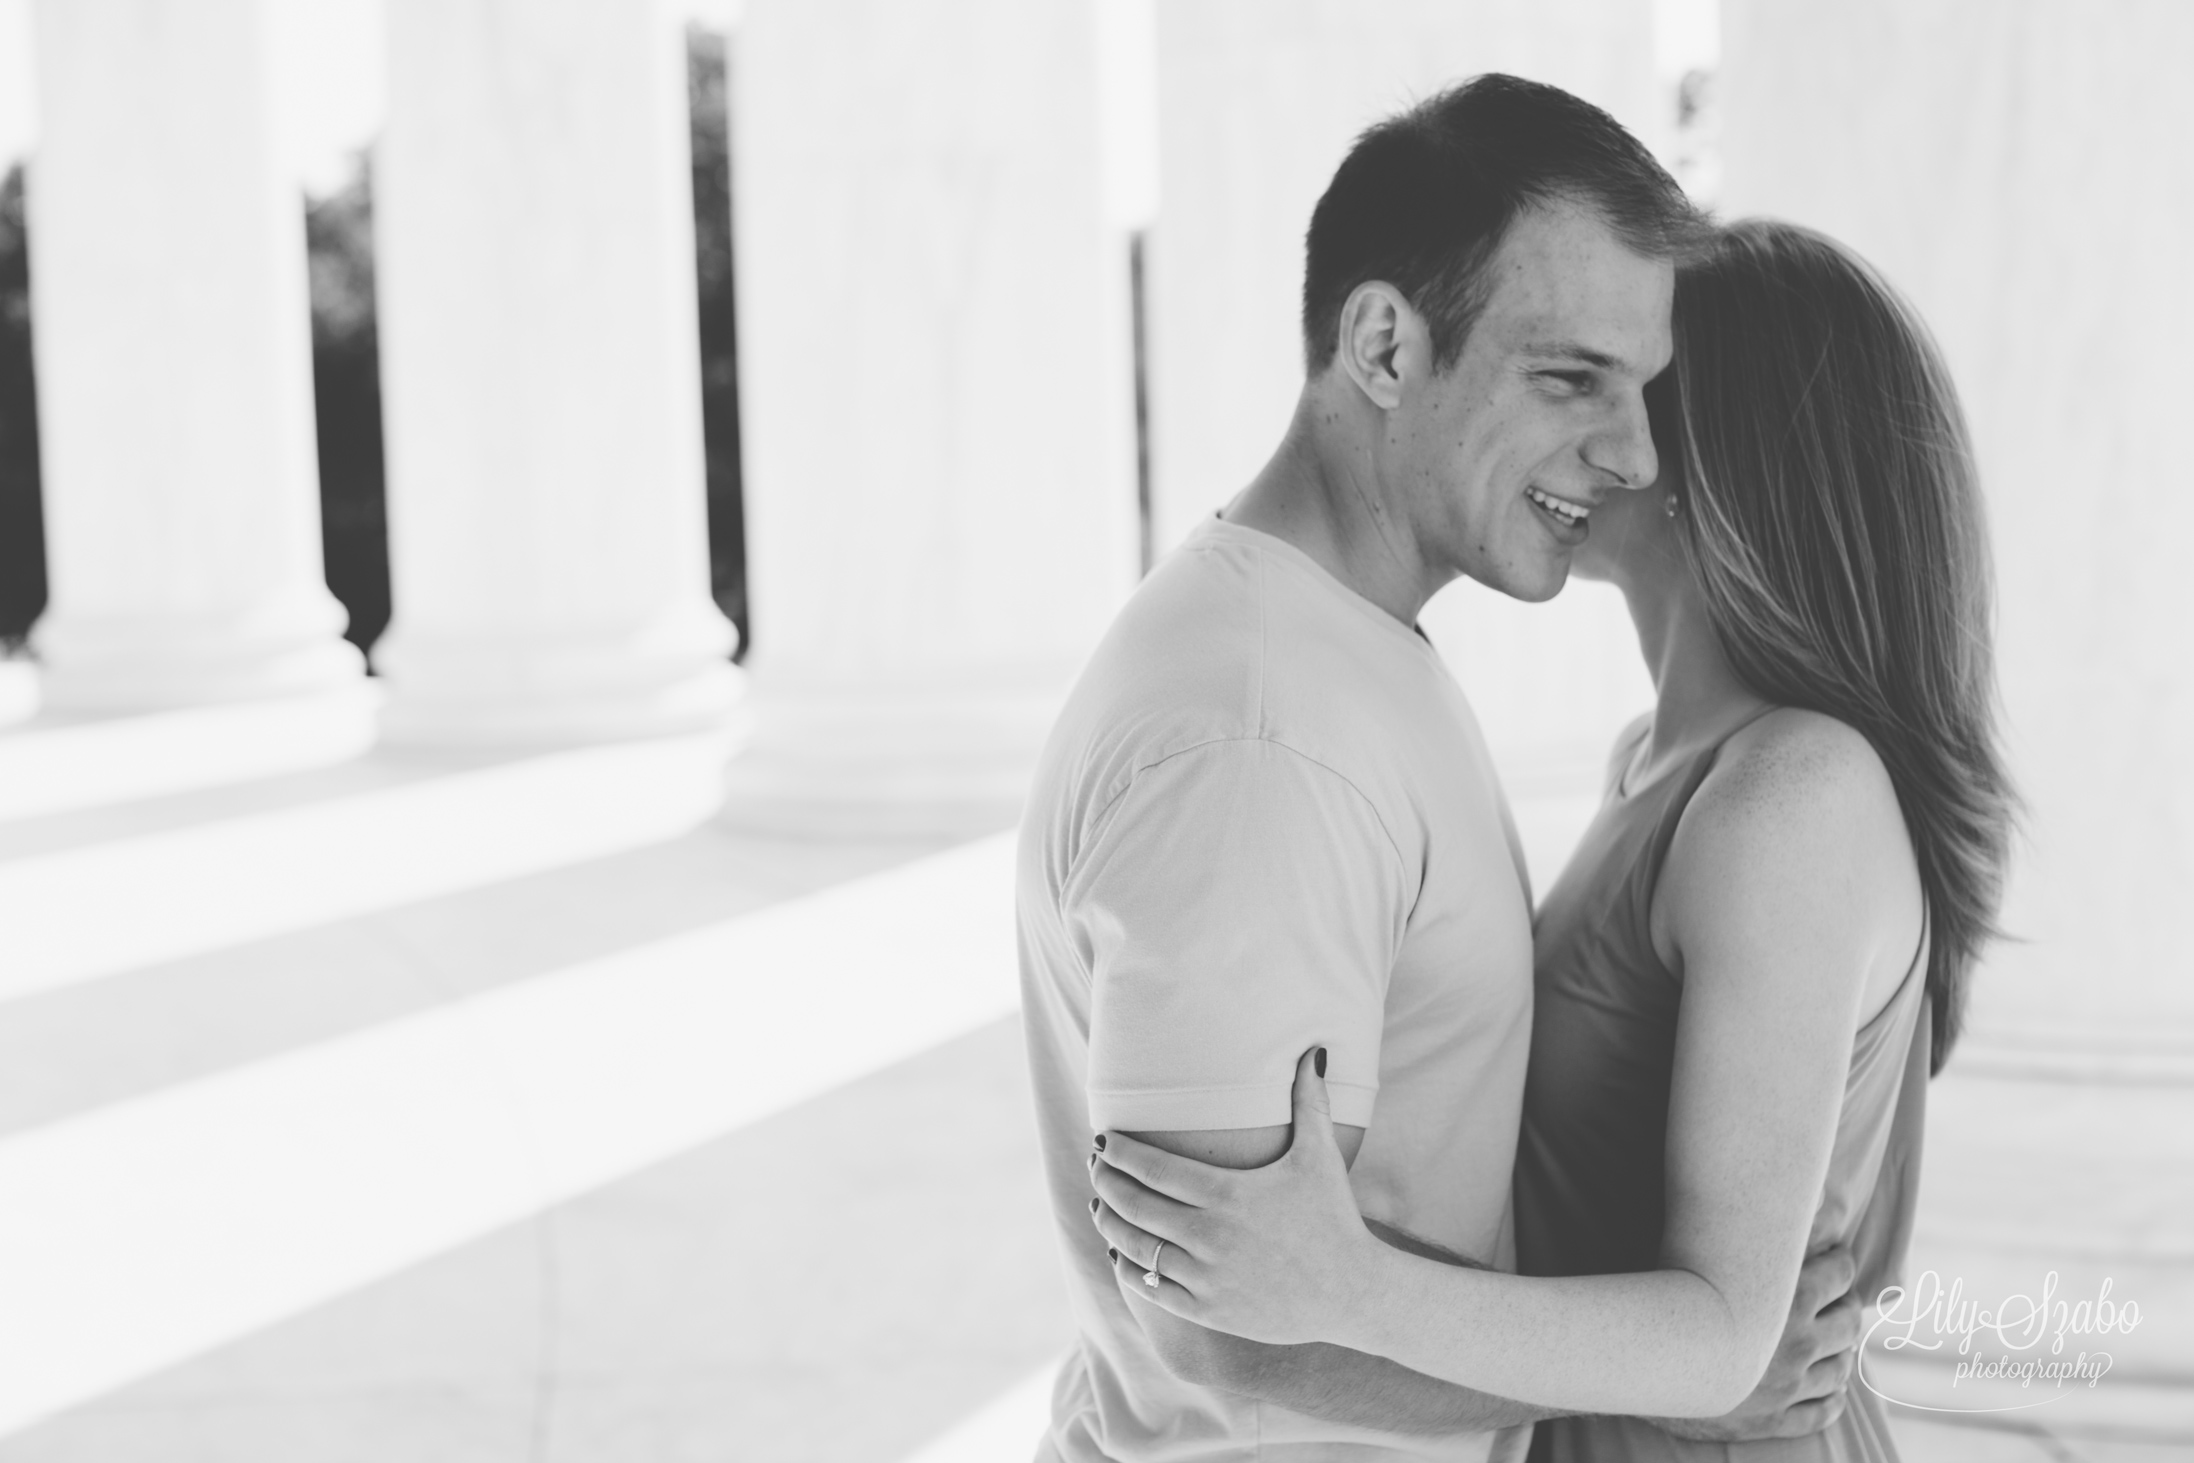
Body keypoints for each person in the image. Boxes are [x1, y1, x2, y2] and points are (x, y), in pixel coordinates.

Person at [1019, 78, 1865, 1463]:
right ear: (1382, 344)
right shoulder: (1263, 745)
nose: (1636, 452)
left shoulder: (1340, 651)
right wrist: (1665, 1379)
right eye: (1569, 378)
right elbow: (1228, 1333)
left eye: (1642, 389)